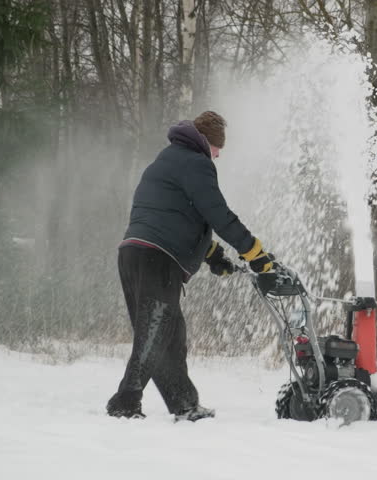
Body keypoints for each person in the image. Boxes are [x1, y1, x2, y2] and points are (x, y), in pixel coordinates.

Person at [106, 111, 274, 421]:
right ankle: (125, 402)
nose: (219, 154)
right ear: (208, 142)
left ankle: (183, 403)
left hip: (134, 254)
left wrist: (213, 255)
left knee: (171, 335)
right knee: (154, 332)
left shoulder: (166, 160)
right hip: (158, 258)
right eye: (218, 147)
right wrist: (254, 252)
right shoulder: (197, 164)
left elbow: (176, 217)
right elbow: (217, 214)